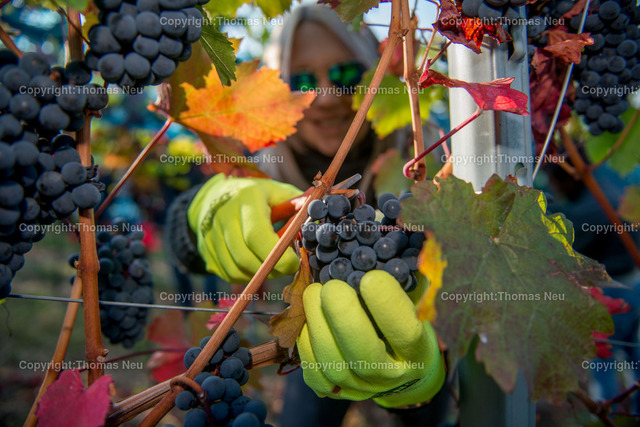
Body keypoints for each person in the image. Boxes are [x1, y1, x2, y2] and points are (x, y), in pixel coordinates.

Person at [167, 4, 448, 426]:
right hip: (315, 344)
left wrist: (424, 378)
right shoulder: (266, 164)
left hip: (424, 342)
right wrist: (202, 215)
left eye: (345, 73)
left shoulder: (430, 158)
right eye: (301, 81)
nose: (327, 96)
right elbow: (180, 240)